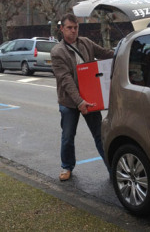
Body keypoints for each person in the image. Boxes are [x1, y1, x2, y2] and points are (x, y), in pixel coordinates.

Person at [51, 13, 114, 181]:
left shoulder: (85, 42)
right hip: (69, 102)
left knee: (101, 136)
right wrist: (79, 102)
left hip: (91, 98)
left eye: (76, 27)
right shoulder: (57, 52)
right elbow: (66, 80)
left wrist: (123, 50)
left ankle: (112, 169)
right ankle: (66, 166)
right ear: (62, 29)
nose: (73, 31)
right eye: (69, 28)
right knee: (68, 137)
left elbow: (104, 53)